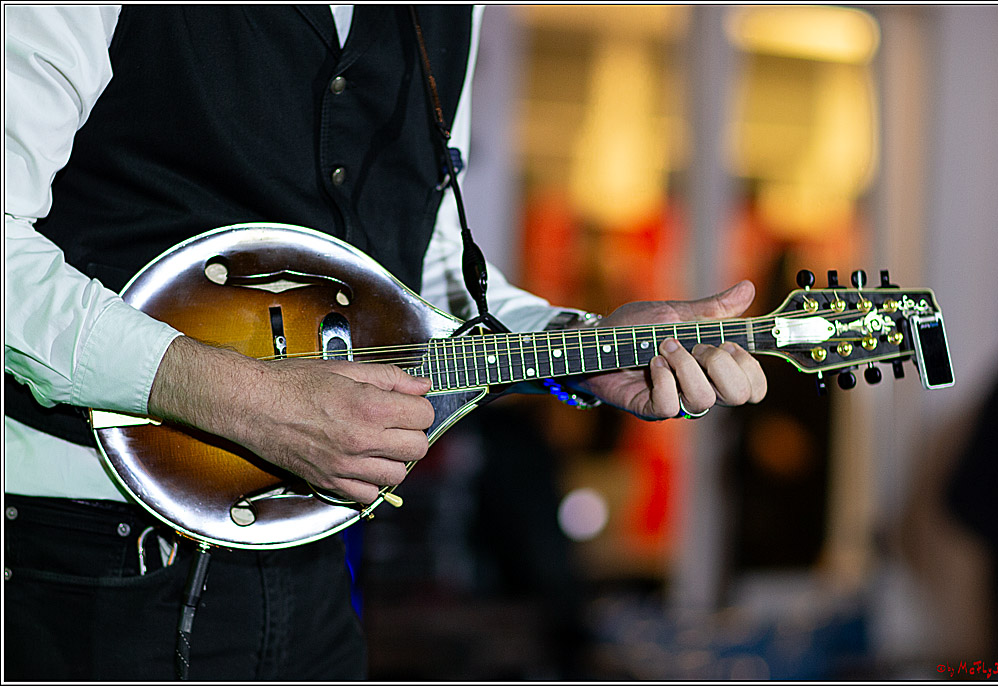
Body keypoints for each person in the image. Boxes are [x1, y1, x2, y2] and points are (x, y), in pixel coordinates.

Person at [3, 5, 767, 681]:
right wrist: (231, 395)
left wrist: (586, 346)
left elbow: (423, 276)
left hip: (312, 575)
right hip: (80, 563)